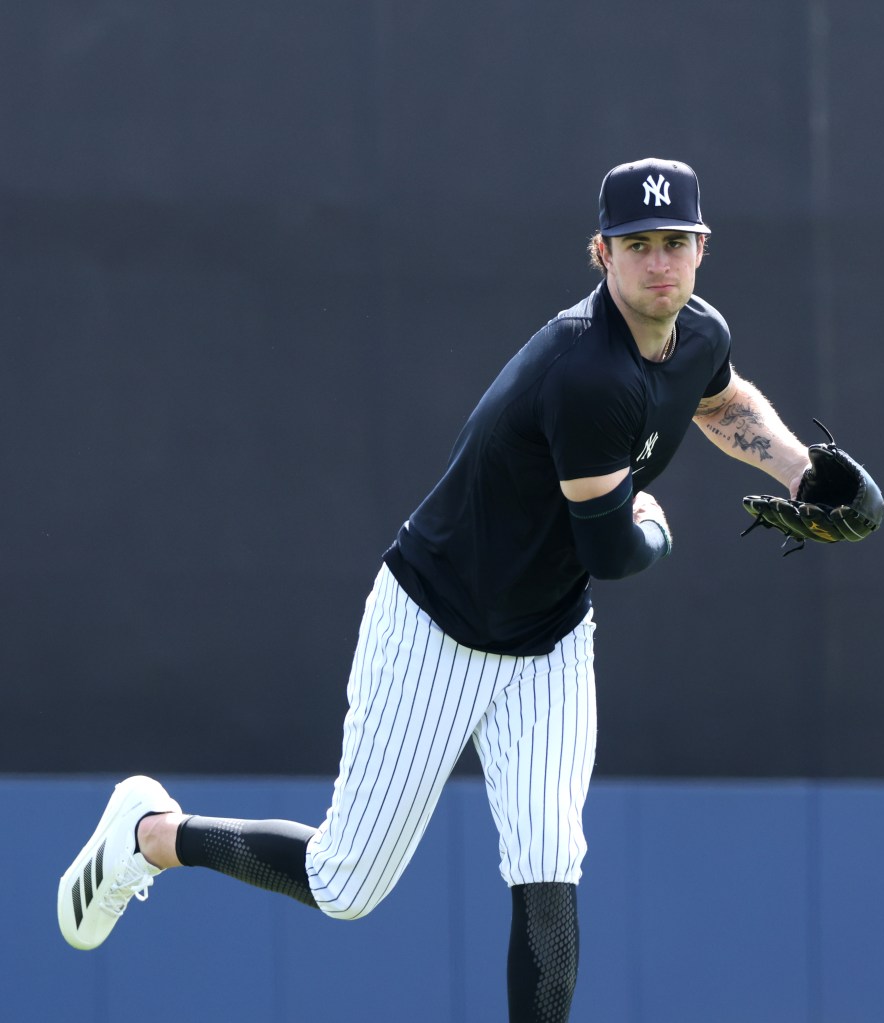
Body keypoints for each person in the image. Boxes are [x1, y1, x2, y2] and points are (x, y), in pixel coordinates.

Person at [59, 157, 813, 1022]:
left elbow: (718, 400)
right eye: (637, 244)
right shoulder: (586, 371)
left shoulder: (700, 332)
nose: (659, 262)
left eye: (673, 241)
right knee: (343, 884)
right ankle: (152, 834)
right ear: (601, 253)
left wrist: (803, 471)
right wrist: (658, 526)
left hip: (548, 638)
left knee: (549, 868)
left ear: (702, 247)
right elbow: (612, 550)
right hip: (437, 624)